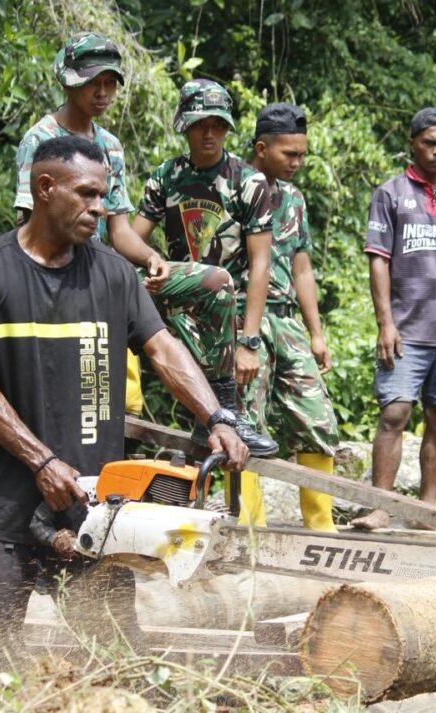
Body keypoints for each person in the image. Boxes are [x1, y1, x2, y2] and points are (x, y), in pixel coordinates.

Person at [0, 136, 249, 660]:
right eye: (86, 194)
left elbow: (162, 348)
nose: (100, 207)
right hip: (5, 507)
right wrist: (40, 460)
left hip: (95, 509)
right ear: (45, 188)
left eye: (103, 194)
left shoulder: (112, 273)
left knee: (116, 661)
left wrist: (217, 416)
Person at [13, 32, 171, 421]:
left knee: (209, 284)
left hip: (96, 271)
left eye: (109, 84)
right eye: (92, 83)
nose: (102, 92)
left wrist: (151, 257)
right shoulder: (40, 139)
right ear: (69, 82)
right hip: (52, 274)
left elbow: (119, 230)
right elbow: (27, 223)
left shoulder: (110, 145)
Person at [132, 79, 279, 487]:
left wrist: (249, 341)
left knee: (241, 427)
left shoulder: (248, 182)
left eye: (218, 124)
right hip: (178, 295)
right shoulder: (167, 176)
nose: (210, 133)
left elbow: (260, 263)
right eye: (201, 124)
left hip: (227, 309)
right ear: (184, 125)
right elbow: (132, 238)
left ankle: (241, 519)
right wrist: (147, 269)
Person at [351, 107, 436, 531]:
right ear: (412, 144)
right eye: (430, 142)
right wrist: (385, 323)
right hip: (406, 330)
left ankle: (428, 508)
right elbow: (378, 262)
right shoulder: (390, 194)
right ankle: (381, 505)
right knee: (394, 413)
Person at [240, 102, 340, 531]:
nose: (298, 163)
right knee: (246, 422)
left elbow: (302, 267)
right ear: (262, 149)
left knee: (317, 416)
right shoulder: (235, 189)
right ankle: (250, 529)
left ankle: (321, 526)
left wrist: (316, 333)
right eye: (289, 155)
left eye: (302, 154)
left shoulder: (294, 198)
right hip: (244, 319)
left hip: (286, 321)